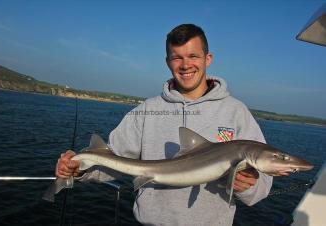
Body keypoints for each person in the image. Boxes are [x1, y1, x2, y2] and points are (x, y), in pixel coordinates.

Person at [56, 24, 272, 226]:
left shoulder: (236, 112)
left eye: (193, 56)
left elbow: (261, 187)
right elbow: (112, 162)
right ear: (168, 61)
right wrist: (79, 169)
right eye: (176, 57)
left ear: (208, 59)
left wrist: (247, 186)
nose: (185, 65)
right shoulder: (147, 110)